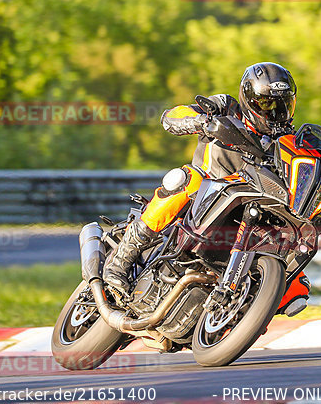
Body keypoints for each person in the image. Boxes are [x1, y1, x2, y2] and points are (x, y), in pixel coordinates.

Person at [103, 62, 310, 316]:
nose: (275, 112)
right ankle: (121, 260)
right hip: (202, 194)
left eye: (283, 105)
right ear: (249, 98)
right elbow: (171, 117)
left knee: (294, 277)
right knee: (186, 180)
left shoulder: (286, 140)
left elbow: (303, 175)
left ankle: (238, 309)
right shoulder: (225, 107)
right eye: (267, 103)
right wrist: (201, 121)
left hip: (246, 209)